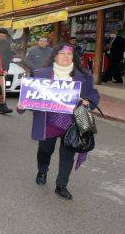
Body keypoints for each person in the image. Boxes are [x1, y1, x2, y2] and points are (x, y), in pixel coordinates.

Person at [17, 44, 100, 200]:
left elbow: (92, 94)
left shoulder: (84, 74)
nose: (66, 56)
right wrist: (22, 105)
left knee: (68, 153)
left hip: (72, 121)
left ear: (73, 56)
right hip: (48, 120)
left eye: (69, 54)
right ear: (54, 56)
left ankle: (61, 185)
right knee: (45, 150)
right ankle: (42, 170)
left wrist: (88, 101)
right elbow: (31, 96)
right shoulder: (40, 74)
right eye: (62, 53)